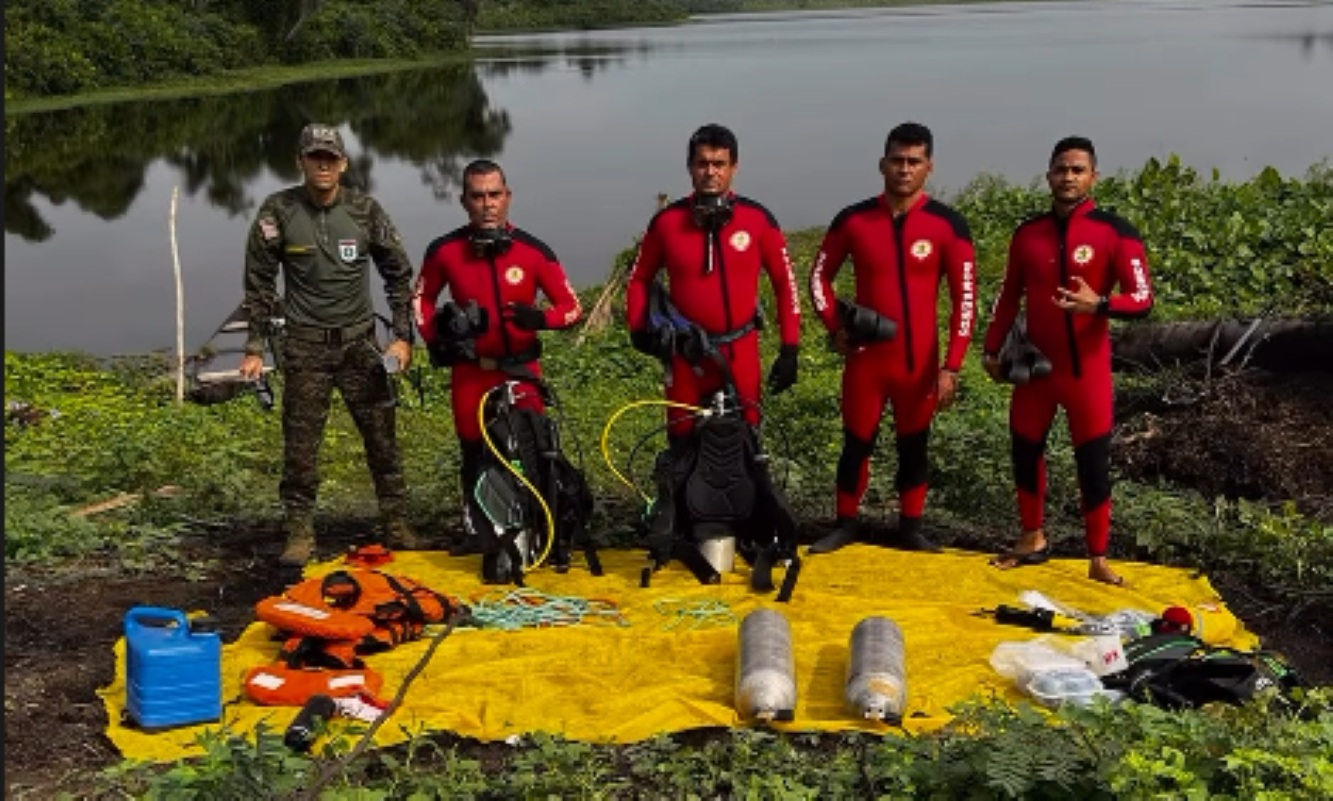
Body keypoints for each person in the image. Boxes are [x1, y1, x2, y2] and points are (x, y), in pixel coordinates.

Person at [240, 123, 420, 567]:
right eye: (314, 156)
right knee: (300, 448)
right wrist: (254, 346)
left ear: (343, 163)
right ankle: (300, 532)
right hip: (304, 348)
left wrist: (401, 337)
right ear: (300, 161)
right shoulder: (277, 211)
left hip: (361, 345)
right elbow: (259, 283)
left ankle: (395, 521)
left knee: (382, 439)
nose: (323, 164)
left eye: (330, 157)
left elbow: (398, 274)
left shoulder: (364, 210)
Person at [982, 136, 1154, 586]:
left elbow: (1143, 298)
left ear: (1093, 177)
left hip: (1087, 376)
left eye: (1078, 170)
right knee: (1025, 452)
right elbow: (1007, 297)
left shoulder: (1115, 231)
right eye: (1061, 169)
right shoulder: (1028, 234)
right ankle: (1031, 538)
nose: (1069, 177)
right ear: (1049, 176)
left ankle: (1097, 557)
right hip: (1036, 372)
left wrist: (1098, 304)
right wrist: (990, 347)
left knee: (1092, 465)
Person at [806, 122, 978, 554]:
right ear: (882, 164)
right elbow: (817, 278)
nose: (904, 169)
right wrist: (835, 327)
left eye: (913, 162)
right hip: (867, 359)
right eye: (897, 161)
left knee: (914, 446)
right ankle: (845, 523)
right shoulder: (854, 219)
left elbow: (966, 301)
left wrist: (952, 366)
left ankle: (911, 528)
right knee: (855, 443)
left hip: (918, 363)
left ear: (929, 167)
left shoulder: (948, 225)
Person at [412, 159, 583, 557]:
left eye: (494, 195)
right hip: (472, 372)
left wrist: (541, 318)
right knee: (473, 450)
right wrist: (438, 338)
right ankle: (478, 530)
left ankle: (541, 526)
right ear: (464, 201)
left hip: (521, 369)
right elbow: (420, 299)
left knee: (533, 447)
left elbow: (571, 307)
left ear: (507, 198)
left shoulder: (534, 252)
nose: (487, 204)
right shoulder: (445, 252)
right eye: (478, 196)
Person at [625, 123, 803, 440]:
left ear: (734, 167)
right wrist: (639, 327)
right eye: (702, 163)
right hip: (685, 356)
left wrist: (790, 348)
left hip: (741, 350)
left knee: (748, 442)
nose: (710, 172)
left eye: (719, 164)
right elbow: (639, 278)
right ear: (690, 168)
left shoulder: (758, 220)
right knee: (681, 443)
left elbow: (784, 284)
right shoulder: (666, 223)